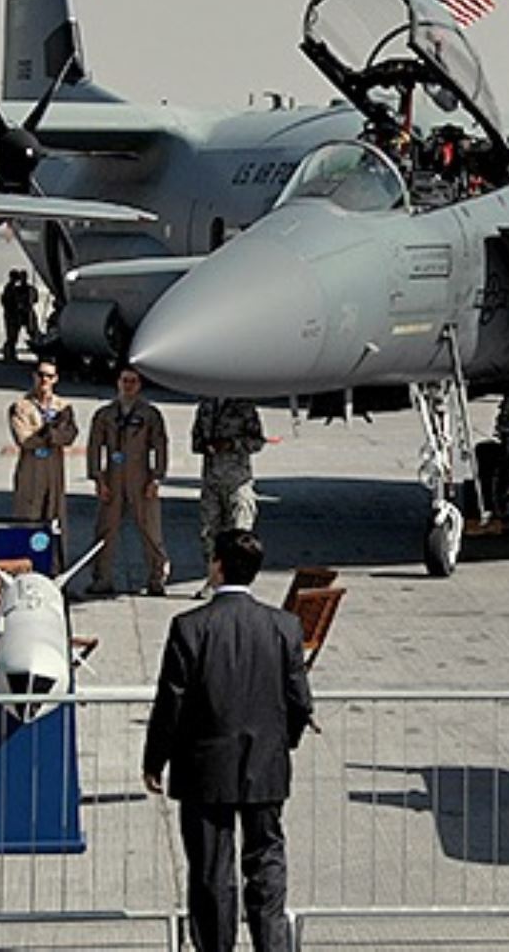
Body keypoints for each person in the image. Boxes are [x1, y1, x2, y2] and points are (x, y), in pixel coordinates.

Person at [143, 529, 314, 952]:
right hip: (265, 764)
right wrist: (282, 744)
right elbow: (300, 701)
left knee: (211, 870)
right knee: (267, 862)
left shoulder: (190, 627)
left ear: (217, 566)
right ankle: (271, 944)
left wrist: (155, 760)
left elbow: (171, 702)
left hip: (204, 768)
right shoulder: (284, 626)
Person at [86, 367, 170, 597]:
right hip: (113, 477)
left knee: (150, 530)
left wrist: (157, 478)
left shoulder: (150, 414)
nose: (129, 385)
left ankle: (157, 578)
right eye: (125, 381)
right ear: (118, 383)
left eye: (133, 381)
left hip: (141, 477)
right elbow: (94, 448)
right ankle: (101, 578)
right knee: (105, 529)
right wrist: (98, 479)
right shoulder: (105, 414)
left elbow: (160, 446)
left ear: (139, 385)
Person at [192, 398, 265, 598]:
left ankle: (239, 583)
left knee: (239, 536)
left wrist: (232, 444)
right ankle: (213, 581)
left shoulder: (244, 406)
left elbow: (257, 441)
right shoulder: (206, 406)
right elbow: (196, 440)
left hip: (237, 482)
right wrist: (205, 446)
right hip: (211, 482)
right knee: (210, 534)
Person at [9, 360, 78, 551]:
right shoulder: (21, 406)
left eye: (49, 376)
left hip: (54, 470)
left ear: (55, 379)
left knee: (55, 518)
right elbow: (24, 438)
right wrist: (50, 436)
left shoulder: (63, 407)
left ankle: (55, 562)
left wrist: (52, 435)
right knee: (28, 516)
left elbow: (70, 434)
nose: (44, 380)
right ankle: (26, 559)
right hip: (31, 470)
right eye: (41, 375)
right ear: (34, 376)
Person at [0, 268, 40, 362]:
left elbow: (35, 299)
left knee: (33, 334)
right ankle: (9, 355)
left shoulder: (28, 289)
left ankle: (40, 354)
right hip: (14, 316)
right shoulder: (11, 289)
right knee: (12, 336)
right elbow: (7, 302)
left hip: (26, 314)